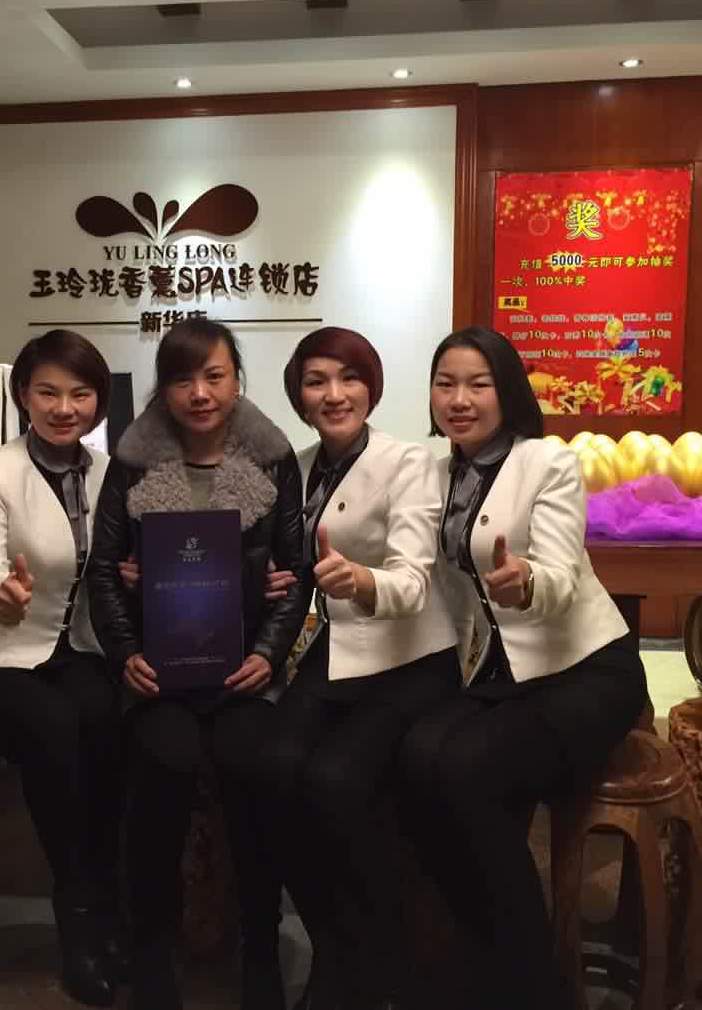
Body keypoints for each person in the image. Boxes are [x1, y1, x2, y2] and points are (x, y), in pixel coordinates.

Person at [402, 326, 648, 1010]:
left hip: (585, 670)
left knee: (465, 771)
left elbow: (562, 574)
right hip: (498, 673)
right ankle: (472, 961)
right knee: (416, 754)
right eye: (446, 384)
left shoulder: (549, 463)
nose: (460, 399)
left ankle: (535, 986)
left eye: (478, 384)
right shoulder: (434, 473)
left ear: (507, 392)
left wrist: (527, 581)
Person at [87, 319, 309, 1010]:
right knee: (162, 766)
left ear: (237, 380)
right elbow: (103, 570)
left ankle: (259, 947)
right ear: (165, 389)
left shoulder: (273, 461)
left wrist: (268, 654)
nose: (200, 393)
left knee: (256, 770)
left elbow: (295, 572)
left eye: (214, 376)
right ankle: (151, 951)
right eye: (182, 379)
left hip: (244, 670)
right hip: (160, 671)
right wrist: (125, 653)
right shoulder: (132, 462)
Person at [263, 327, 460, 1010]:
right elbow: (288, 562)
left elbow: (414, 579)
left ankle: (383, 955)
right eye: (316, 381)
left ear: (371, 387)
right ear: (299, 395)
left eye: (349, 378)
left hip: (412, 656)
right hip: (337, 650)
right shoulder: (296, 466)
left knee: (334, 780)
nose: (334, 394)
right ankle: (335, 947)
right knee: (271, 772)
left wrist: (363, 581)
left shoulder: (411, 462)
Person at [0, 329, 124, 1006]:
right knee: (54, 732)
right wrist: (1, 594)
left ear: (99, 400)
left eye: (80, 393)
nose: (64, 407)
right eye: (48, 392)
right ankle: (76, 921)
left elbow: (118, 566)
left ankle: (107, 903)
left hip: (75, 645)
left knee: (109, 722)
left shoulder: (110, 473)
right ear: (23, 395)